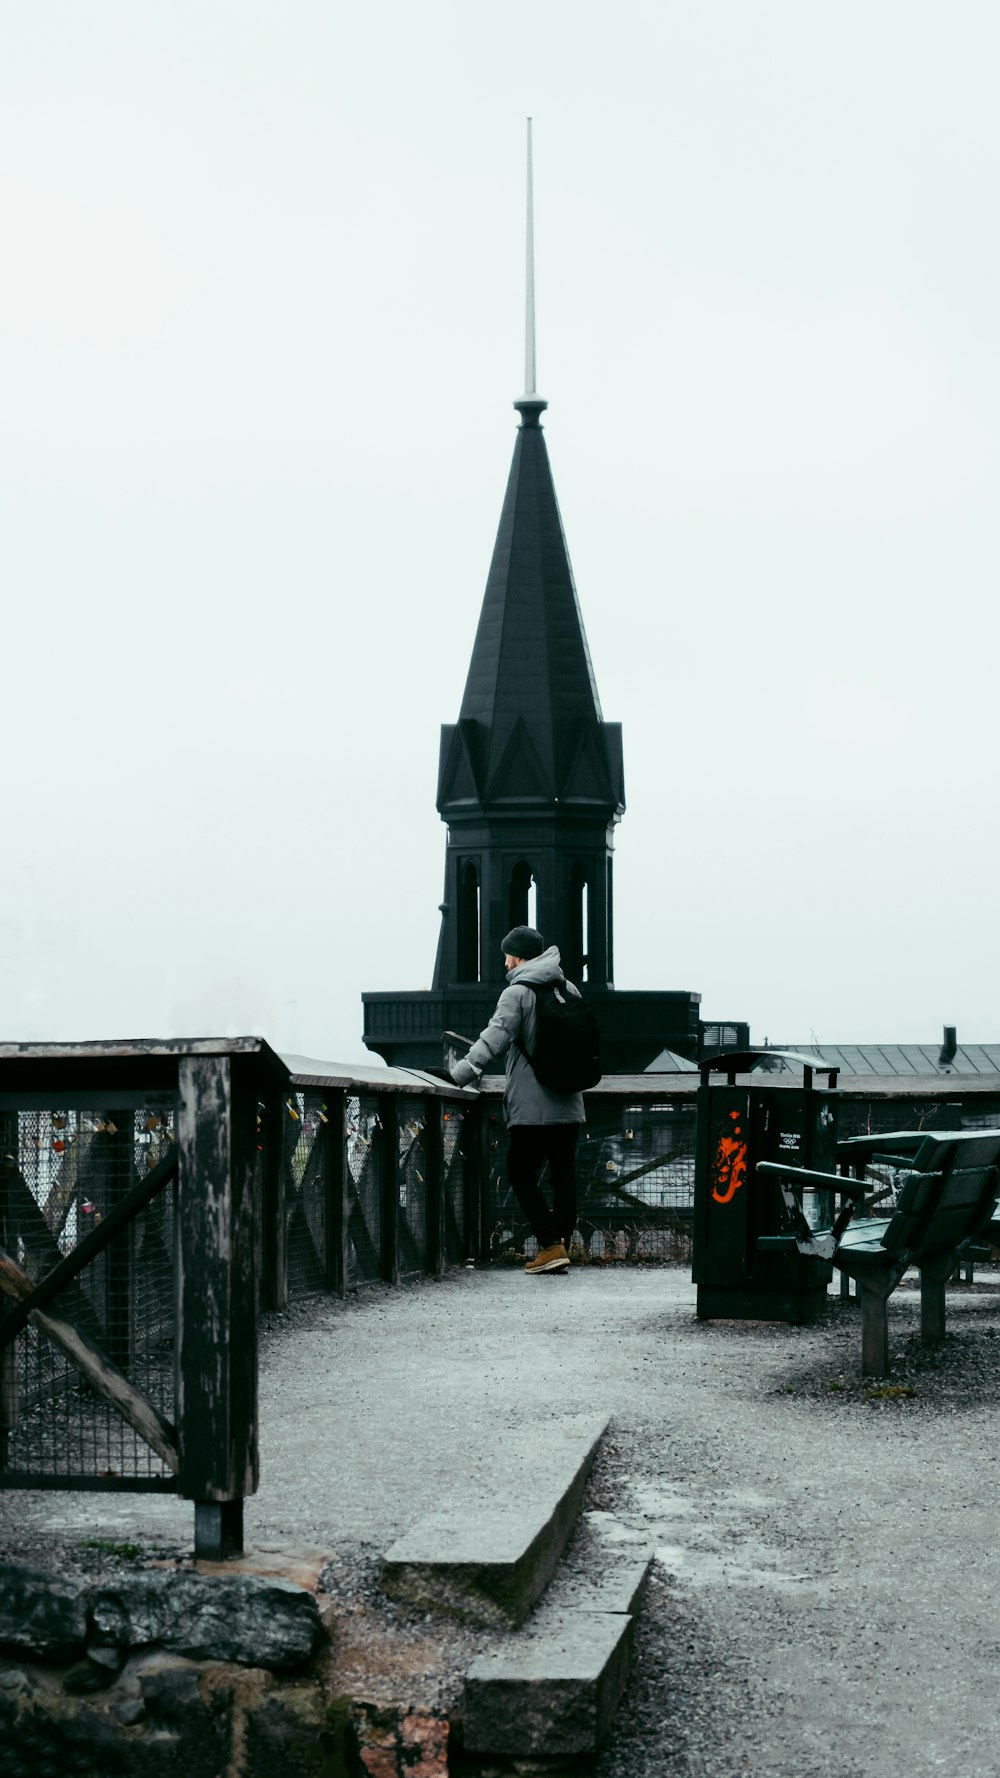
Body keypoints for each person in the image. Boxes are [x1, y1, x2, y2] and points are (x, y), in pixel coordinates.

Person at [449, 925, 584, 1275]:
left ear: (519, 956)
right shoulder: (568, 989)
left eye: (507, 956)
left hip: (533, 1106)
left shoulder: (518, 993)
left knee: (520, 1173)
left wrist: (459, 1074)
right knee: (563, 1176)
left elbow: (495, 1038)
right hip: (570, 1101)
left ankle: (550, 1245)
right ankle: (563, 1244)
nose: (505, 963)